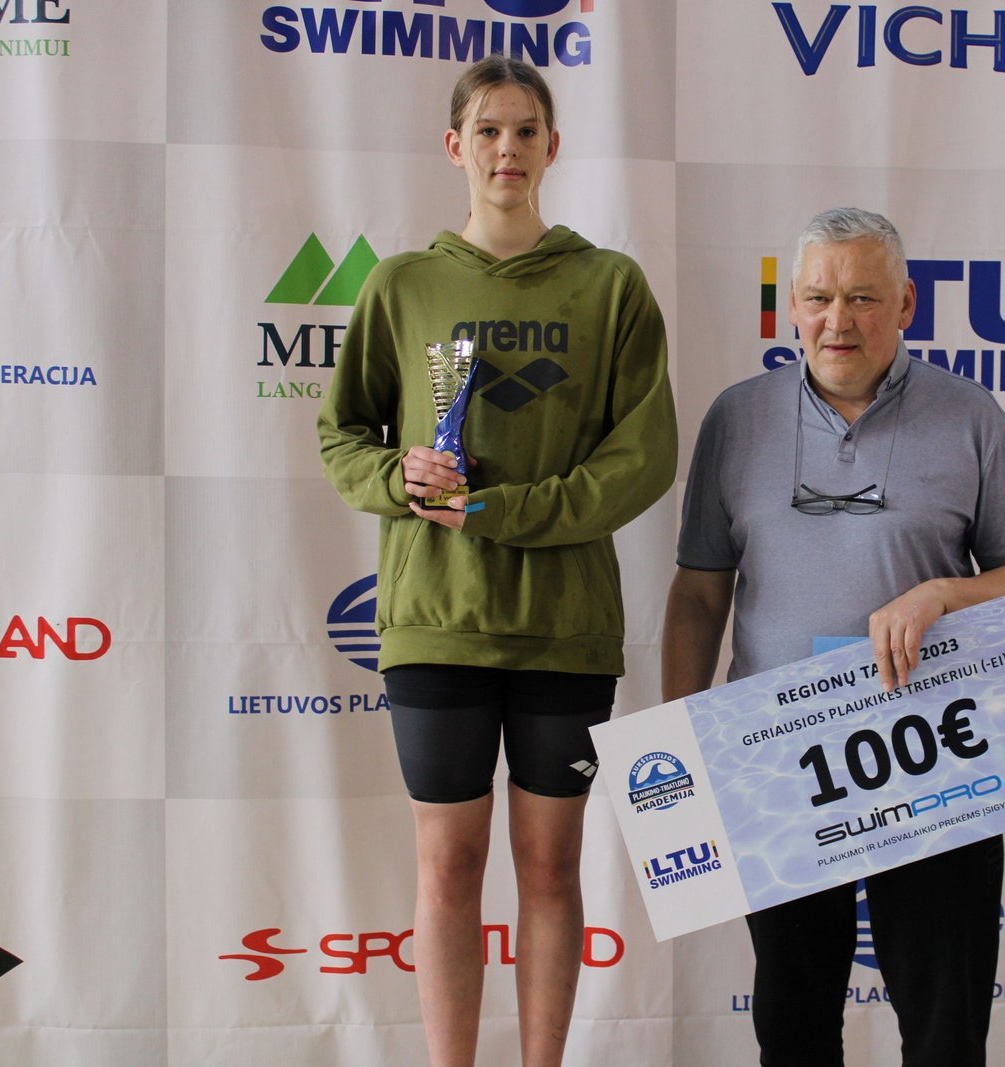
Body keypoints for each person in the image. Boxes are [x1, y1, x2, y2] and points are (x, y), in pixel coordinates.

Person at [316, 55, 675, 1067]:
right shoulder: (403, 284)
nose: (506, 149)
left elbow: (642, 458)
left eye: (524, 131)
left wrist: (500, 510)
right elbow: (342, 437)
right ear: (455, 146)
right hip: (437, 620)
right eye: (487, 131)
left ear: (553, 147)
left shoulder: (611, 285)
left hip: (565, 627)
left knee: (552, 867)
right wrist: (402, 476)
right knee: (448, 866)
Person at [662, 207, 1005, 1066]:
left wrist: (944, 592)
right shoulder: (737, 418)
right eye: (819, 297)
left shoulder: (971, 415)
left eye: (864, 298)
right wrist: (684, 743)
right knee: (792, 1023)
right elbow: (697, 594)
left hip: (933, 753)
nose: (838, 320)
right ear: (790, 308)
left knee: (945, 1027)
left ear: (905, 304)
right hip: (779, 755)